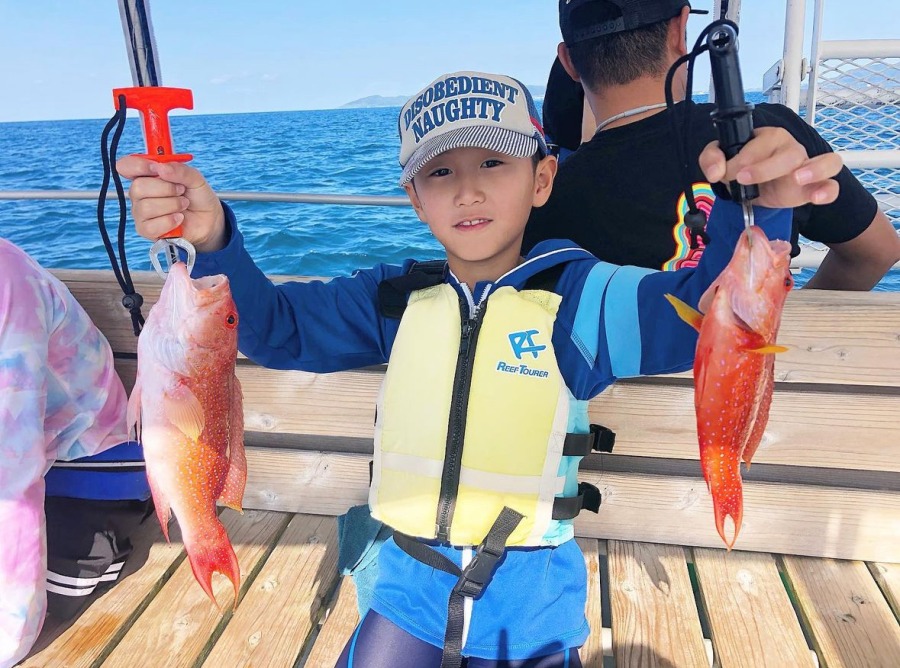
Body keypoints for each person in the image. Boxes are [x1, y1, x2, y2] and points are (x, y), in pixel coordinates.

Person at [117, 70, 840, 667]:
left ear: (543, 177)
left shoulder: (578, 297)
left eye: (493, 162)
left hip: (530, 603)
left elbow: (704, 313)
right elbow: (272, 329)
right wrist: (212, 235)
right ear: (414, 198)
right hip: (404, 586)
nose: (467, 190)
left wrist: (764, 212)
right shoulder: (392, 299)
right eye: (441, 172)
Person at [524, 0, 900, 289]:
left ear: (569, 62)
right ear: (681, 32)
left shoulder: (539, 198)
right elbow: (875, 254)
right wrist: (763, 331)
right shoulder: (770, 139)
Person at [0, 239, 151, 668]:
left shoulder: (5, 281)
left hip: (88, 474)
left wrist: (8, 641)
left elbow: (11, 471)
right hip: (28, 468)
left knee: (39, 602)